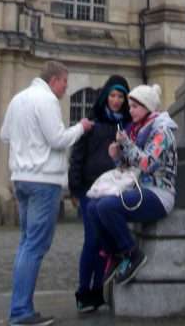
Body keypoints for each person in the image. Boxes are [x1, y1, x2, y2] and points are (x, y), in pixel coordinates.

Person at [0, 60, 94, 326]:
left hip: (21, 178)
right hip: (43, 180)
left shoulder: (18, 99)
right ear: (54, 80)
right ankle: (20, 312)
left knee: (26, 243)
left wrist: (25, 145)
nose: (66, 88)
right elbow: (58, 139)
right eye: (65, 82)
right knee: (35, 245)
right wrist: (82, 127)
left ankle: (19, 307)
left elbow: (4, 135)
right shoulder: (47, 100)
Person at [86, 83, 177, 288]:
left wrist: (126, 144)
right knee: (92, 207)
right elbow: (130, 167)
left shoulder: (162, 131)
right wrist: (117, 156)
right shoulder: (140, 129)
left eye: (135, 106)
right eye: (130, 106)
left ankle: (132, 253)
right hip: (139, 189)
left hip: (159, 193)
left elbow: (146, 163)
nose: (130, 110)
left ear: (147, 107)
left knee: (106, 207)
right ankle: (115, 254)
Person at [68, 75, 131, 313]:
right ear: (106, 97)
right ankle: (85, 291)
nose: (116, 100)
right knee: (92, 240)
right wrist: (74, 188)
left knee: (107, 242)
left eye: (120, 96)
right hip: (89, 189)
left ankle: (98, 290)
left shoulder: (126, 125)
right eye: (113, 95)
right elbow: (77, 156)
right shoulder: (92, 123)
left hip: (114, 190)